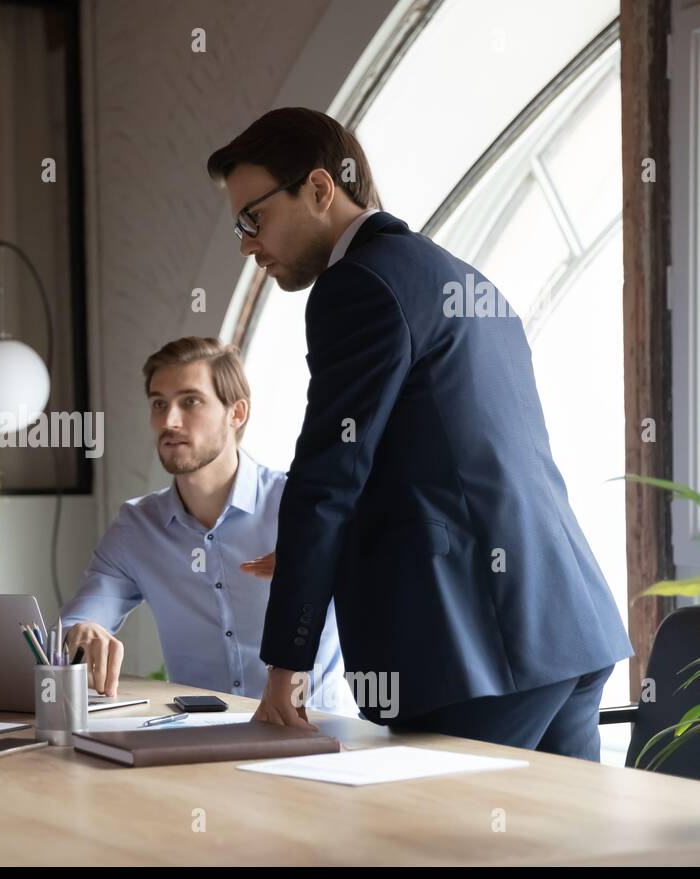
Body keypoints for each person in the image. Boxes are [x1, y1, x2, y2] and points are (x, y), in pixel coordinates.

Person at [206, 107, 630, 758]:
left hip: (472, 651)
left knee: (434, 850)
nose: (246, 244)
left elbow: (329, 476)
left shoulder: (358, 286)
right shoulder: (460, 277)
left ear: (320, 189)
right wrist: (322, 554)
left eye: (252, 218)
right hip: (564, 626)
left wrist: (286, 668)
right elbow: (446, 460)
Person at [59, 336, 354, 715]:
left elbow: (386, 577)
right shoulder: (137, 528)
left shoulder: (305, 508)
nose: (169, 421)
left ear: (237, 413)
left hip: (320, 732)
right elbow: (81, 619)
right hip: (203, 740)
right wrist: (80, 630)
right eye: (158, 403)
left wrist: (322, 563)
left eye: (190, 401)